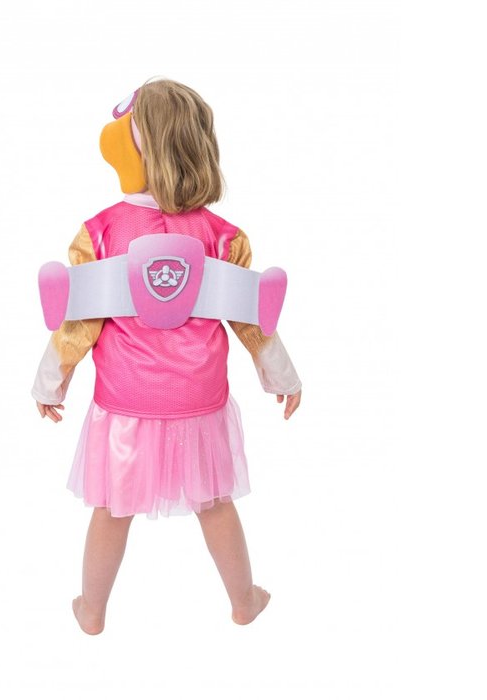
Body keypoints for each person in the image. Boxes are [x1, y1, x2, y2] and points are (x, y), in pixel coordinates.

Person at [31, 79, 302, 635]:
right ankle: (244, 600)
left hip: (126, 403)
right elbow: (254, 321)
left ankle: (92, 611)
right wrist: (282, 377)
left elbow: (76, 326)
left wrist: (49, 383)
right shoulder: (222, 237)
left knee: (112, 509)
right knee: (215, 503)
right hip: (199, 401)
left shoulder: (100, 233)